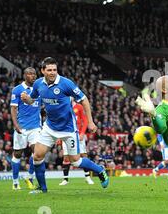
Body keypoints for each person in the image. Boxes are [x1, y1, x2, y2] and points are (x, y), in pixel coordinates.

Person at [21, 57, 109, 194]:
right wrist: (27, 99)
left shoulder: (66, 84)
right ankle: (42, 189)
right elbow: (33, 100)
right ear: (42, 70)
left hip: (68, 128)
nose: (52, 72)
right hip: (50, 127)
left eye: (54, 70)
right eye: (49, 70)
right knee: (37, 156)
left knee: (75, 161)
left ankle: (100, 170)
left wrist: (90, 122)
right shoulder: (38, 84)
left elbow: (84, 100)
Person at [10, 67, 41, 190]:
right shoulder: (17, 90)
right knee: (17, 154)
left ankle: (29, 176)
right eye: (30, 74)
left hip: (35, 126)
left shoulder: (39, 89)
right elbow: (13, 108)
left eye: (34, 74)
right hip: (22, 127)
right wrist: (16, 125)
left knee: (37, 152)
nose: (33, 76)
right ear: (25, 75)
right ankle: (15, 181)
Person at [59, 98, 95, 185]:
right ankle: (65, 179)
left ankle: (87, 177)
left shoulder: (79, 107)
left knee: (83, 155)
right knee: (66, 157)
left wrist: (82, 133)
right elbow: (61, 122)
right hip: (66, 134)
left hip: (78, 135)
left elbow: (85, 120)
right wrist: (59, 137)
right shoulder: (64, 107)